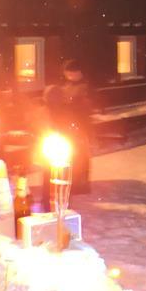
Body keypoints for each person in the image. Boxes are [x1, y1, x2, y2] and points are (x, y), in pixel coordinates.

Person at [42, 59, 95, 207]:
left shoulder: (84, 87)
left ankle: (79, 183)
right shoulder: (66, 85)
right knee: (73, 155)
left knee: (79, 156)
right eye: (67, 73)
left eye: (72, 73)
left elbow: (85, 106)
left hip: (78, 123)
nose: (69, 76)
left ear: (79, 72)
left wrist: (74, 107)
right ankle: (74, 183)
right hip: (67, 124)